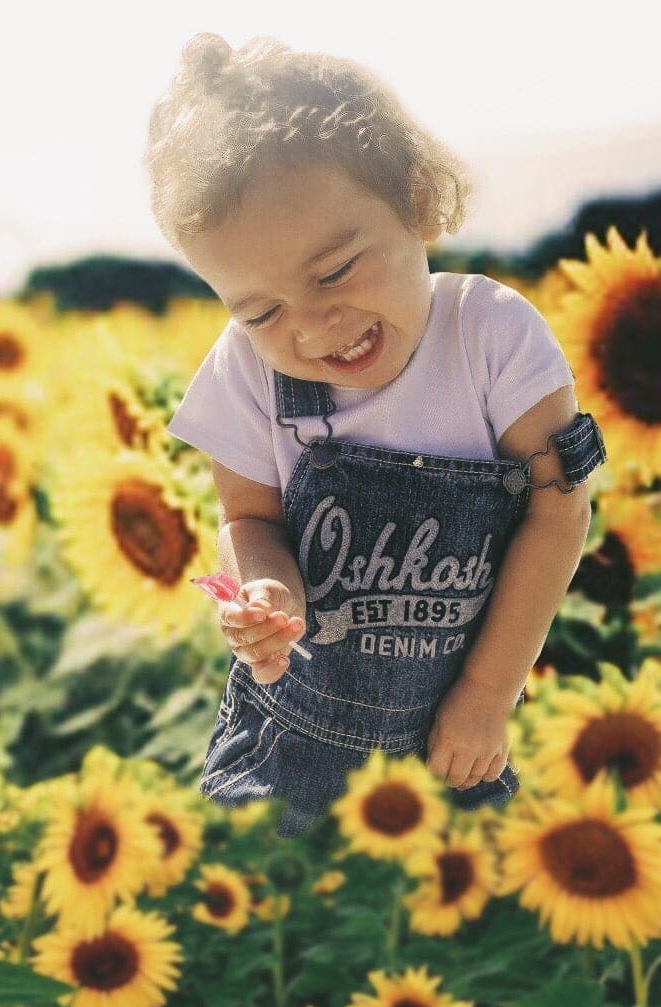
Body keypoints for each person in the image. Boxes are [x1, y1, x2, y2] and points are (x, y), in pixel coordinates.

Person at [143, 33, 608, 839]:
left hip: (452, 740)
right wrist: (267, 592)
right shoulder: (248, 375)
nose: (313, 326)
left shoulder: (490, 338)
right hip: (288, 746)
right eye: (260, 312)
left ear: (417, 200)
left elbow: (558, 514)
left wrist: (488, 696)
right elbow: (249, 522)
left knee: (445, 946)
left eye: (333, 272)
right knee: (272, 947)